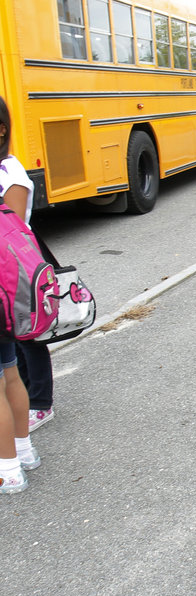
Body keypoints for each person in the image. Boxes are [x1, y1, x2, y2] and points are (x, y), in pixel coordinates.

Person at [0, 96, 56, 435]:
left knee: (30, 336)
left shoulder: (11, 174)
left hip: (17, 268)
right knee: (13, 340)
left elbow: (12, 230)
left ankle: (40, 402)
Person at [0, 95, 41, 494]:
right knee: (9, 372)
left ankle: (9, 467)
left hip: (4, 289)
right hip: (6, 290)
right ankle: (23, 451)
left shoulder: (8, 173)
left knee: (3, 378)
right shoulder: (9, 168)